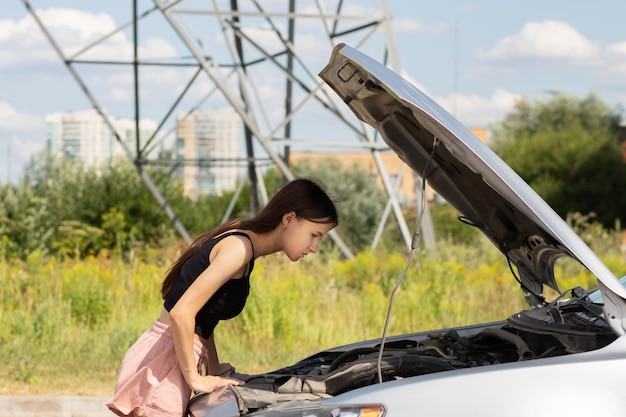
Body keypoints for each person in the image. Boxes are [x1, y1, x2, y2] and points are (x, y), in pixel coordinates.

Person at [106, 178, 339, 417]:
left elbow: (206, 315)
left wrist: (214, 368)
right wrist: (195, 379)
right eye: (314, 235)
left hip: (174, 355)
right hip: (165, 361)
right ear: (289, 219)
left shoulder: (245, 248)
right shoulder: (239, 249)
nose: (314, 247)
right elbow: (182, 312)